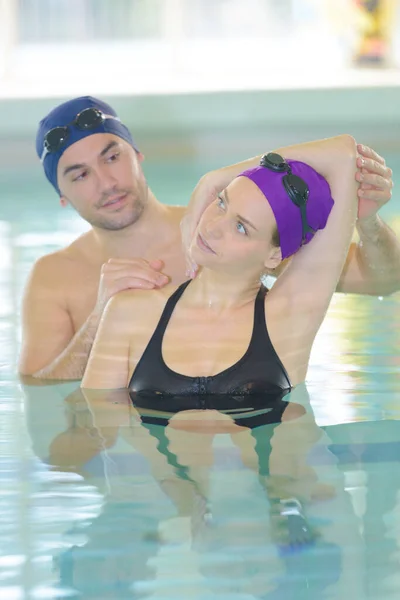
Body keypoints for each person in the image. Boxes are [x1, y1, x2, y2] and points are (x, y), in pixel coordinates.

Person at [18, 96, 399, 380]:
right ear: (62, 196)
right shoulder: (55, 278)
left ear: (137, 154)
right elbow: (37, 393)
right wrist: (99, 319)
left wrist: (368, 223)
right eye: (79, 175)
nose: (106, 182)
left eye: (112, 156)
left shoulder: (230, 236)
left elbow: (384, 281)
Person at [82, 134, 361, 397]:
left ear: (274, 256)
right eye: (220, 202)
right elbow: (99, 431)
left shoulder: (288, 316)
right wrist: (212, 180)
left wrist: (216, 178)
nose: (213, 227)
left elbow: (344, 155)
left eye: (241, 227)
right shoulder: (130, 313)